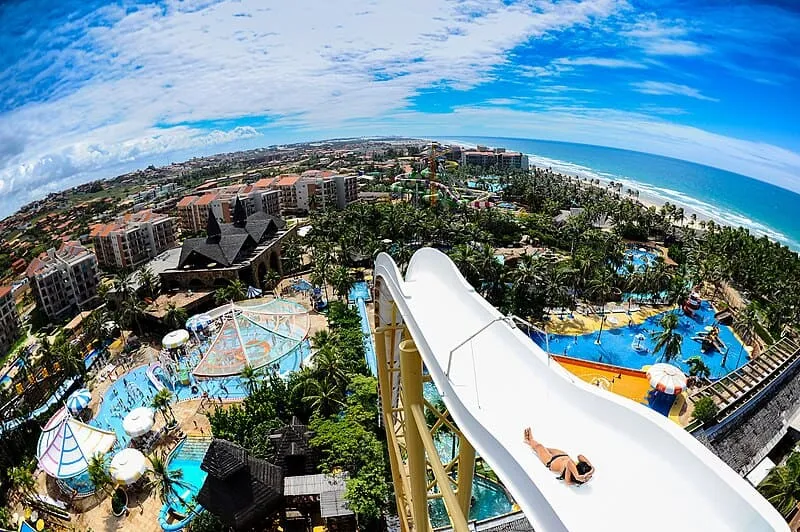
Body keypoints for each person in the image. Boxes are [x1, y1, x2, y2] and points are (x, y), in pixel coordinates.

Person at [523, 428, 594, 486]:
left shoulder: (569, 477)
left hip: (551, 461)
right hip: (562, 455)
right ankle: (530, 442)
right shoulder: (586, 471)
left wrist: (577, 476)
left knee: (539, 447)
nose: (587, 477)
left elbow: (570, 463)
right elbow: (580, 456)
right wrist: (592, 469)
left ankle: (529, 439)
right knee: (542, 448)